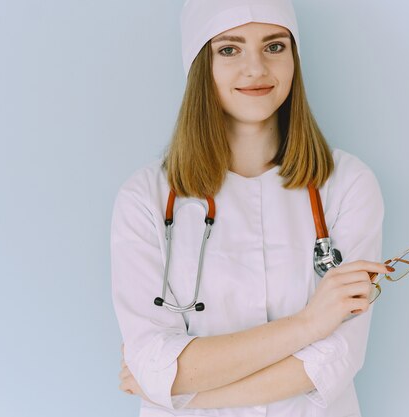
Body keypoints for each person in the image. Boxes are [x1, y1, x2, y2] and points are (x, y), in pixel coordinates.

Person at [111, 0, 391, 415]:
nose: (257, 68)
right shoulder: (144, 199)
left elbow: (334, 361)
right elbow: (153, 362)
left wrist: (192, 393)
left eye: (275, 47)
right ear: (199, 66)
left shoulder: (348, 185)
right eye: (229, 49)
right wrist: (309, 324)